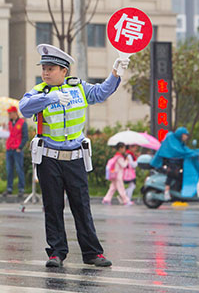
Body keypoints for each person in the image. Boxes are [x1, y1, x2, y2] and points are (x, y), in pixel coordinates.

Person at [19, 43, 129, 268]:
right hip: (49, 158)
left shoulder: (79, 88)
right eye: (44, 68)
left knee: (82, 206)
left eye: (51, 68)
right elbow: (25, 107)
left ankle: (92, 253)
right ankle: (56, 252)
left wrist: (116, 72)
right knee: (53, 206)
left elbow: (101, 93)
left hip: (75, 158)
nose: (46, 72)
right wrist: (52, 98)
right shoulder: (40, 92)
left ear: (64, 71)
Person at [150, 127, 199, 201]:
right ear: (181, 134)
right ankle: (166, 191)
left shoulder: (180, 142)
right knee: (172, 172)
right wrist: (190, 153)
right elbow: (177, 151)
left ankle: (178, 190)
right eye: (185, 135)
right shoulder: (171, 139)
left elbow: (185, 150)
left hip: (177, 163)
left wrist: (196, 152)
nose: (186, 137)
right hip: (166, 162)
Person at [3, 106, 28, 198]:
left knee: (19, 169)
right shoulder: (9, 123)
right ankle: (9, 188)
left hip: (17, 149)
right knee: (9, 169)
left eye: (10, 113)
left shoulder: (22, 123)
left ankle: (21, 188)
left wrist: (20, 147)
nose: (9, 115)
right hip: (9, 148)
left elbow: (25, 137)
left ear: (15, 113)